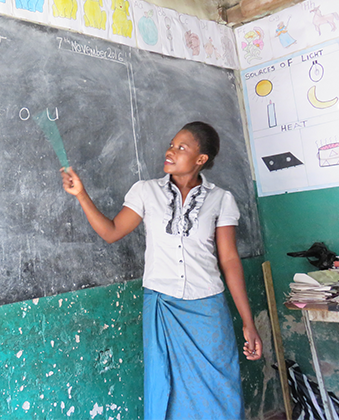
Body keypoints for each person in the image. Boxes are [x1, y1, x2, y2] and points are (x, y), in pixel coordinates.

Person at [60, 121, 262, 420]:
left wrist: (248, 322)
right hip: (163, 305)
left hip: (208, 306)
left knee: (221, 386)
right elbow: (112, 231)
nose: (170, 151)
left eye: (182, 147)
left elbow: (229, 260)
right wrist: (81, 195)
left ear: (200, 159)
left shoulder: (221, 199)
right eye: (171, 144)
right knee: (166, 389)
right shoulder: (145, 191)